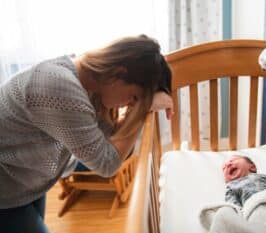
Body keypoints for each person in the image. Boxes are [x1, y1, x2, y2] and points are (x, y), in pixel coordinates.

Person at [0, 35, 173, 233]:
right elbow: (107, 164)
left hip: (29, 177)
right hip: (6, 183)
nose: (129, 105)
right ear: (118, 73)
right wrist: (143, 110)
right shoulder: (60, 87)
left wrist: (141, 105)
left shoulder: (90, 84)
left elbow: (108, 138)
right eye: (133, 97)